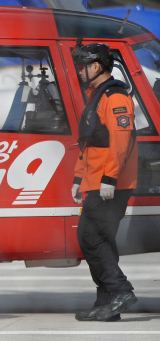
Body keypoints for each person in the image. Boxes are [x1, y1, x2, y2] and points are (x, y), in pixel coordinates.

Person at [71, 43, 138, 322]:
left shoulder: (115, 96)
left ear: (96, 67)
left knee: (91, 238)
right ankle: (107, 303)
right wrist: (78, 177)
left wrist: (109, 178)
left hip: (111, 184)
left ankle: (120, 290)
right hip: (97, 181)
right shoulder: (97, 96)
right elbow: (91, 143)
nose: (80, 71)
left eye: (82, 66)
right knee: (100, 241)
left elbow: (120, 140)